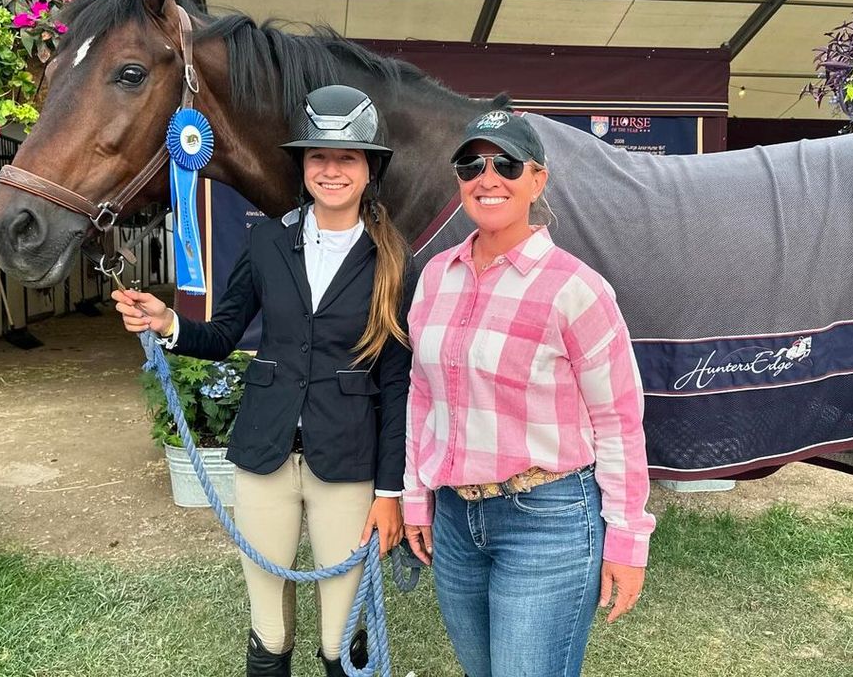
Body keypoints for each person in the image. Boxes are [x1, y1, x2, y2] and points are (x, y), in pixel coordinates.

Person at [113, 85, 412, 677]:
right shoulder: (268, 239)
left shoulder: (393, 259)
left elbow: (397, 384)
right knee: (270, 628)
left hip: (348, 462)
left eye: (346, 157)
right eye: (318, 157)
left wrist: (390, 492)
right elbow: (223, 333)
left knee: (336, 633)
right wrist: (168, 321)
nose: (331, 170)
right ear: (301, 166)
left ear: (369, 168)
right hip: (264, 455)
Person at [403, 110, 655, 677]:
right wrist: (416, 497)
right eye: (471, 164)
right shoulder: (435, 276)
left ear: (537, 180)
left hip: (548, 521)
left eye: (506, 164)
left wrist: (628, 539)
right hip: (453, 519)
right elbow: (423, 395)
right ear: (459, 180)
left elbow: (618, 423)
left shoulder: (577, 289)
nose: (487, 177)